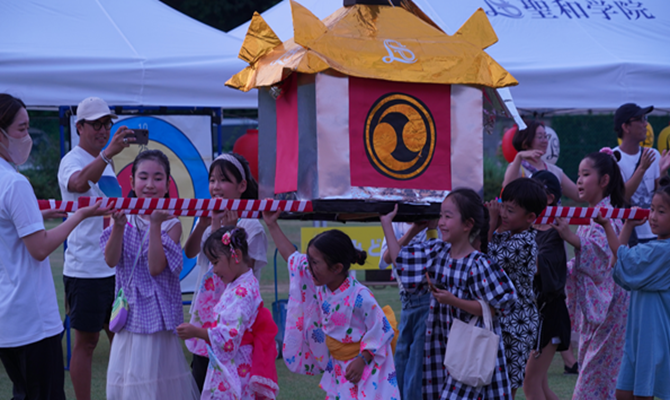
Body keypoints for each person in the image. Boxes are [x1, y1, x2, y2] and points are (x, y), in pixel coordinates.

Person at [0, 93, 105, 400]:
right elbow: (40, 248)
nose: (27, 137)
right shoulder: (15, 183)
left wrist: (38, 215)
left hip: (8, 316)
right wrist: (80, 215)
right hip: (31, 317)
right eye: (21, 129)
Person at [383, 189, 517, 400]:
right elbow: (401, 262)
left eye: (448, 216)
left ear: (467, 224)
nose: (442, 222)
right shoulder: (438, 252)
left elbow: (499, 306)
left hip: (471, 350)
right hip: (443, 347)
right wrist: (386, 224)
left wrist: (453, 301)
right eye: (441, 215)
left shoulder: (479, 264)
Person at [263, 210, 399, 399]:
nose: (308, 267)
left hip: (364, 366)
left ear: (337, 268)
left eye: (314, 263)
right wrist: (272, 224)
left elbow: (382, 328)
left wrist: (362, 360)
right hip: (340, 366)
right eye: (309, 261)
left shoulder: (360, 296)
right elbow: (292, 258)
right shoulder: (321, 278)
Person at [101, 150, 199, 400]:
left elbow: (156, 267)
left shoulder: (171, 223)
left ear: (167, 185)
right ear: (132, 182)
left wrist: (155, 224)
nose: (150, 184)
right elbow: (111, 260)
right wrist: (119, 227)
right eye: (143, 177)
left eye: (158, 178)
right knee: (127, 382)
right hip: (128, 313)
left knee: (154, 386)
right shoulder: (121, 216)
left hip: (156, 318)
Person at [57, 96, 135, 400]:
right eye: (96, 124)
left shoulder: (107, 161)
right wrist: (106, 154)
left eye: (107, 124)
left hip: (114, 267)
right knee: (86, 343)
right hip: (85, 269)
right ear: (80, 127)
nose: (103, 130)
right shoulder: (72, 160)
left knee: (121, 339)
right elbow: (77, 185)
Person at [183, 153, 268, 391]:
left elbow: (244, 270)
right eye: (212, 180)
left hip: (234, 318)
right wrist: (203, 225)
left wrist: (227, 230)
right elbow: (190, 252)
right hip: (205, 311)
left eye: (223, 180)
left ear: (242, 186)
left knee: (231, 383)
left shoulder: (252, 226)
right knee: (201, 380)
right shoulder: (209, 216)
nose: (216, 187)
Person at [552, 149, 629, 399]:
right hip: (599, 312)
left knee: (593, 382)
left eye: (586, 174)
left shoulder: (607, 217)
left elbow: (601, 263)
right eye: (578, 175)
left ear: (604, 180)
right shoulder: (596, 216)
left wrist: (570, 237)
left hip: (610, 310)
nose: (579, 181)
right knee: (598, 376)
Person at [177, 226, 279, 399]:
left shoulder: (242, 292)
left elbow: (229, 339)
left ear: (236, 256)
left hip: (237, 363)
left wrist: (197, 332)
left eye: (216, 263)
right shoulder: (243, 284)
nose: (214, 270)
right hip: (237, 361)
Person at [486, 178, 547, 398]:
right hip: (507, 319)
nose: (502, 212)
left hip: (517, 323)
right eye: (501, 206)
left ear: (530, 218)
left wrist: (491, 223)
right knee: (492, 380)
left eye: (509, 210)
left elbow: (488, 260)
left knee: (506, 386)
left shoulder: (523, 242)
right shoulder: (510, 234)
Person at [611, 177, 670, 400]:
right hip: (637, 335)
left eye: (661, 211)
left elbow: (623, 258)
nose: (652, 217)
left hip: (654, 337)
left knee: (641, 396)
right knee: (623, 394)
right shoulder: (654, 248)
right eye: (652, 209)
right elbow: (617, 265)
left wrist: (608, 225)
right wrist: (627, 226)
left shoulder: (663, 252)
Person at [523, 171, 572, 400]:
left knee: (530, 386)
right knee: (541, 387)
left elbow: (538, 267)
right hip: (537, 315)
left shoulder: (554, 234)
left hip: (549, 315)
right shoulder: (530, 230)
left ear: (549, 198)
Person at [378, 220, 439, 399]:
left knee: (416, 367)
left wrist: (432, 228)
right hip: (406, 302)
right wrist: (413, 231)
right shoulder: (399, 223)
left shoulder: (437, 222)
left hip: (427, 298)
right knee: (402, 362)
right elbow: (385, 260)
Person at [612, 103, 670, 246]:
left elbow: (662, 195)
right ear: (626, 127)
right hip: (628, 235)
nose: (646, 124)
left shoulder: (653, 154)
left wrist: (663, 172)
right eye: (641, 119)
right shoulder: (613, 158)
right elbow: (621, 197)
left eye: (646, 118)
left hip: (654, 233)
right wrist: (642, 169)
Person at [503, 120, 580, 202]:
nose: (545, 141)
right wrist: (519, 156)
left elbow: (578, 195)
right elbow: (507, 189)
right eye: (540, 137)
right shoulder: (516, 167)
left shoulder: (554, 170)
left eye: (546, 136)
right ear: (525, 142)